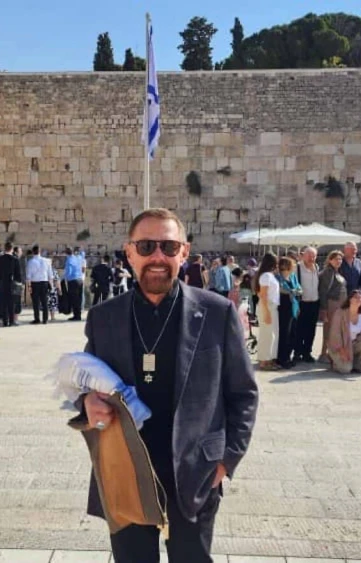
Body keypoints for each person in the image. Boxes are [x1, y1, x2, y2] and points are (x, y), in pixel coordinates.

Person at [81, 207, 258, 562]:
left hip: (195, 474)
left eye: (168, 246)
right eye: (146, 246)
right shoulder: (104, 317)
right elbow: (86, 382)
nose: (158, 256)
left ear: (185, 252)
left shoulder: (216, 312)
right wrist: (86, 402)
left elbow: (243, 393)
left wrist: (226, 459)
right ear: (129, 253)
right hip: (126, 472)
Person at [327, 289, 361, 374]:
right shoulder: (340, 313)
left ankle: (360, 366)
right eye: (356, 297)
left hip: (356, 344)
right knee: (345, 369)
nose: (358, 299)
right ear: (350, 299)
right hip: (342, 346)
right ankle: (335, 361)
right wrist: (342, 351)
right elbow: (335, 334)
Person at [292, 247, 321, 363]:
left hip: (314, 302)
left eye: (313, 256)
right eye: (309, 255)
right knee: (299, 329)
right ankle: (297, 353)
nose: (311, 258)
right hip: (302, 302)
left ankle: (307, 352)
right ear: (303, 255)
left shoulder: (317, 267)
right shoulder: (296, 267)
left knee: (311, 330)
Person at [319, 250, 348, 362]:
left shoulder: (336, 272)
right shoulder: (328, 272)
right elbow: (323, 291)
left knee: (335, 330)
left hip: (340, 304)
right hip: (332, 304)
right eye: (336, 259)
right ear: (330, 260)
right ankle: (323, 353)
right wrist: (324, 309)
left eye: (340, 259)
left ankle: (331, 353)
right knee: (329, 329)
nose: (338, 261)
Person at [254, 253, 281, 371]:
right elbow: (263, 295)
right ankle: (264, 361)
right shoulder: (266, 276)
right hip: (267, 306)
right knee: (267, 335)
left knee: (271, 335)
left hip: (271, 306)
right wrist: (267, 312)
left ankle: (268, 359)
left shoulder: (269, 275)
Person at [275, 257, 301, 369]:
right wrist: (293, 291)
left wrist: (295, 291)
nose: (294, 266)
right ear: (286, 266)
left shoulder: (293, 276)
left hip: (294, 306)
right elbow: (280, 290)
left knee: (292, 333)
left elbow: (299, 289)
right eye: (293, 264)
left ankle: (288, 356)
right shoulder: (277, 277)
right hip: (283, 307)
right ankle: (282, 358)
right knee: (284, 333)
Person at [26, 245, 54, 325]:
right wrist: (51, 285)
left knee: (36, 302)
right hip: (44, 283)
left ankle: (37, 319)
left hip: (35, 283)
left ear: (33, 252)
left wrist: (29, 286)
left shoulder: (30, 262)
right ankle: (45, 319)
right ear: (40, 251)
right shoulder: (47, 261)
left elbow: (29, 276)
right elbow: (50, 274)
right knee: (44, 301)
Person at [0, 243, 21, 327]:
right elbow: (18, 274)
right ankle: (11, 321)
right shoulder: (15, 259)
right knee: (11, 302)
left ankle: (4, 321)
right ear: (12, 249)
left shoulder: (0, 259)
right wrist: (19, 283)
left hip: (2, 283)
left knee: (3, 302)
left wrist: (0, 281)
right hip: (12, 284)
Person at [64, 247, 86, 321]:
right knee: (79, 299)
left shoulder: (69, 260)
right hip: (80, 280)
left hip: (73, 281)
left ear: (66, 253)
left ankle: (76, 316)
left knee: (74, 299)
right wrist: (81, 250)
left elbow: (68, 272)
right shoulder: (78, 258)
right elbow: (83, 254)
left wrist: (65, 279)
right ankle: (78, 315)